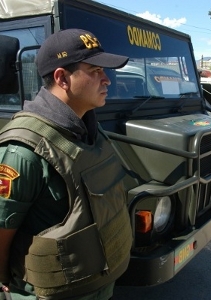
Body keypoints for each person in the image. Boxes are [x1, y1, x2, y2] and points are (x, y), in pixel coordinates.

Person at [0, 28, 132, 300]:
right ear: (62, 78)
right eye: (95, 70)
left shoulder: (90, 132)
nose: (107, 80)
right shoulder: (23, 150)